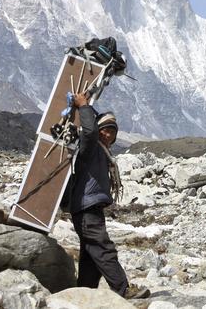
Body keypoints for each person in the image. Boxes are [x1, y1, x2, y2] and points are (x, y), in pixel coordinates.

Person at [68, 92, 149, 299]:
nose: (108, 135)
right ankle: (123, 289)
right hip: (86, 208)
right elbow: (89, 131)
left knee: (91, 256)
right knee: (103, 249)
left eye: (112, 132)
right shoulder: (90, 147)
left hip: (90, 208)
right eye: (104, 130)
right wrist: (84, 106)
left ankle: (82, 295)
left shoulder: (102, 152)